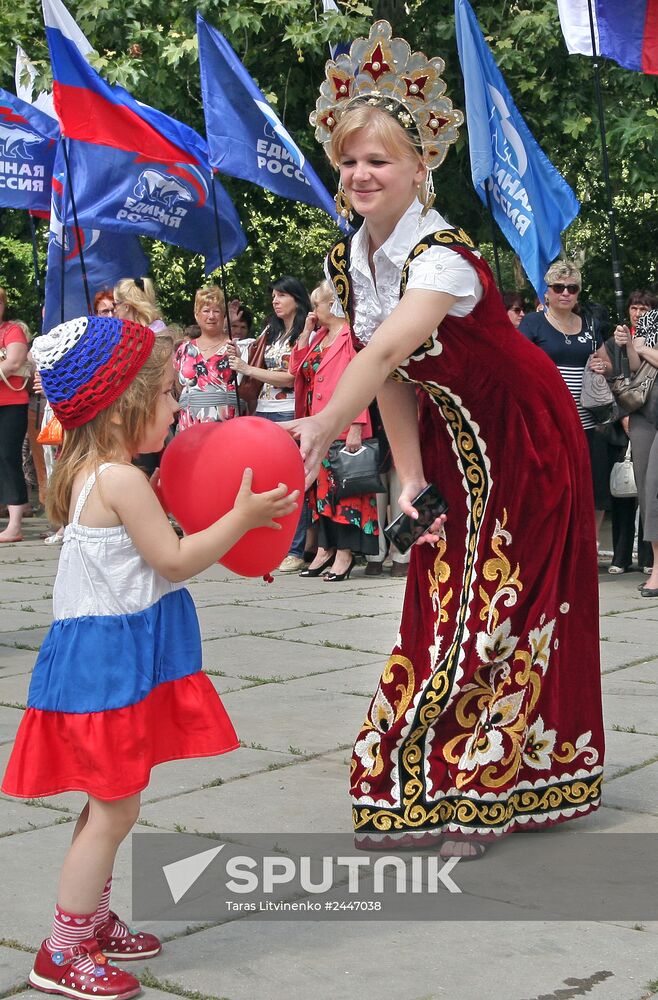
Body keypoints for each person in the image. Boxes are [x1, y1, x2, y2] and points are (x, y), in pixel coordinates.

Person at [287, 21, 604, 857]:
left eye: (378, 160)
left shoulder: (442, 256)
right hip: (454, 445)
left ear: (419, 169)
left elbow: (394, 343)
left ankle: (481, 788)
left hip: (526, 442)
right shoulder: (355, 256)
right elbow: (387, 373)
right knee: (437, 599)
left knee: (504, 608)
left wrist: (320, 425)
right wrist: (404, 477)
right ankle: (417, 778)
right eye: (350, 159)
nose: (360, 174)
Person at [1, 315, 298, 998]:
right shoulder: (121, 481)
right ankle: (62, 951)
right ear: (123, 404)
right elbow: (176, 558)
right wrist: (242, 520)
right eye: (166, 394)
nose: (177, 406)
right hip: (109, 667)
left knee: (110, 801)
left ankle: (94, 922)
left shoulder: (92, 473)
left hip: (107, 658)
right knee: (114, 810)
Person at [289, 280, 379, 581]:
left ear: (334, 304)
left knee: (347, 492)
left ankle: (346, 553)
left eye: (318, 304)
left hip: (343, 424)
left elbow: (362, 383)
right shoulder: (319, 336)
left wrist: (357, 425)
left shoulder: (350, 336)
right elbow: (295, 369)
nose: (314, 310)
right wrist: (304, 333)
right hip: (317, 423)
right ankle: (325, 549)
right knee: (320, 493)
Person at [519, 262, 610, 545]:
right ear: (547, 293)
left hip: (586, 421)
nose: (566, 293)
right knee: (550, 488)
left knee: (590, 487)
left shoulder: (591, 326)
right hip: (546, 421)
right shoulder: (533, 323)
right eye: (559, 288)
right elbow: (517, 364)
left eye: (572, 288)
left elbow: (608, 363)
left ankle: (587, 546)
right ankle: (548, 544)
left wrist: (601, 366)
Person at [229, 277, 312, 573]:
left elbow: (292, 377)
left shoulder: (306, 331)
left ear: (296, 298)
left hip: (289, 412)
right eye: (273, 296)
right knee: (263, 479)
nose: (275, 300)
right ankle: (268, 542)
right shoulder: (270, 331)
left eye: (282, 295)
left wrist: (248, 369)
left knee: (291, 480)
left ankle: (295, 547)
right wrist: (243, 363)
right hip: (263, 410)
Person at [609, 309, 658, 595]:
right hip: (643, 409)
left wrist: (645, 348)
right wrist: (629, 344)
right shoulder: (651, 318)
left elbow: (647, 352)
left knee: (654, 486)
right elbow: (637, 363)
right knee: (645, 491)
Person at [174, 285, 240, 430]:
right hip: (190, 424)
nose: (211, 316)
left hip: (226, 424)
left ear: (223, 315)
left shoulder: (234, 347)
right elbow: (178, 387)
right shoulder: (183, 349)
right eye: (206, 311)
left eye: (216, 311)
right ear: (196, 314)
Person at [0, 287, 31, 543]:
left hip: (10, 404)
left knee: (7, 457)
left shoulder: (12, 331)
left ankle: (15, 524)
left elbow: (13, 362)